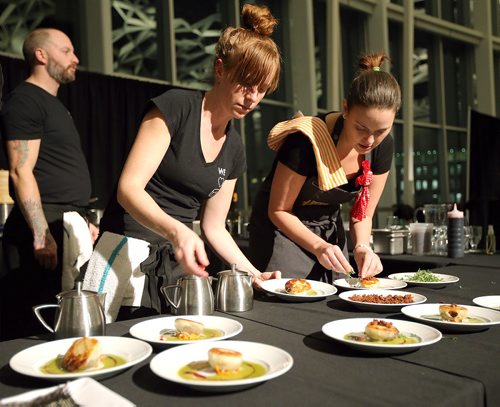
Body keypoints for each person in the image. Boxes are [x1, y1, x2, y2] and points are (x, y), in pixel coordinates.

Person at [99, 3, 281, 318]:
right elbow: (128, 189)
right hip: (127, 251)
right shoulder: (176, 108)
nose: (252, 97)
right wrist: (179, 231)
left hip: (175, 259)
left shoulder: (234, 147)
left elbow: (214, 227)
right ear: (221, 69)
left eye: (262, 90)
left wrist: (254, 273)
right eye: (246, 84)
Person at [248, 52, 401, 282]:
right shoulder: (306, 140)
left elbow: (363, 214)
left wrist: (361, 246)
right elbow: (278, 210)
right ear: (345, 108)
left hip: (328, 232)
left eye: (380, 131)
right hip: (282, 231)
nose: (369, 140)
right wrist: (318, 246)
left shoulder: (382, 148)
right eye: (361, 128)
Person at [0, 28, 98, 340]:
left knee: (62, 328)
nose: (76, 58)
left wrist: (82, 223)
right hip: (41, 234)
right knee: (33, 334)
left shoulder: (54, 104)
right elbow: (20, 172)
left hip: (63, 225)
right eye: (67, 51)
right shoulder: (25, 101)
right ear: (41, 55)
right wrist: (42, 234)